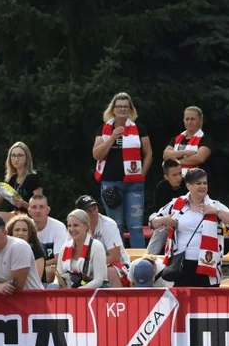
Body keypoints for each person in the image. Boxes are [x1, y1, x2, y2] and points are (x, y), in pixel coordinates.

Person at [149, 169, 229, 287]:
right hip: (181, 264)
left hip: (208, 265)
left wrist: (217, 212)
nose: (202, 186)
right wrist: (164, 220)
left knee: (207, 304)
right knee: (183, 303)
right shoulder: (176, 204)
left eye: (205, 183)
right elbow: (152, 222)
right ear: (188, 186)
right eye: (198, 183)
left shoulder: (214, 205)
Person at [91, 92, 152, 248]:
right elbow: (97, 154)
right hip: (111, 183)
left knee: (136, 227)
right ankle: (118, 262)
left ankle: (139, 263)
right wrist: (112, 137)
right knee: (115, 226)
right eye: (119, 106)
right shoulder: (103, 129)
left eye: (126, 106)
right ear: (113, 109)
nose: (122, 109)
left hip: (134, 184)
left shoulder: (139, 128)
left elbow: (149, 154)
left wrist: (142, 175)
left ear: (130, 109)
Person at [0, 214, 44, 294]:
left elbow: (16, 286)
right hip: (4, 302)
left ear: (5, 232)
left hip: (33, 300)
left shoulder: (19, 246)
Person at [76, 194, 131, 287]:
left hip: (119, 266)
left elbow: (114, 257)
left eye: (95, 208)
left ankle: (118, 301)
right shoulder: (75, 226)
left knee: (110, 272)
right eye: (89, 211)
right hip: (88, 269)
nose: (94, 213)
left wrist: (90, 267)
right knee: (71, 276)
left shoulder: (108, 224)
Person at [54, 209, 108, 289]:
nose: (72, 229)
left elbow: (99, 280)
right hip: (69, 291)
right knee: (52, 287)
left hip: (93, 292)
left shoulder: (96, 246)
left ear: (86, 226)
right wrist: (58, 285)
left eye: (75, 225)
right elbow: (59, 275)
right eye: (69, 226)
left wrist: (79, 291)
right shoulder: (64, 248)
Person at [0, 141, 43, 215]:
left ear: (27, 158)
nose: (16, 159)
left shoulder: (33, 178)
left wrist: (23, 204)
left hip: (27, 217)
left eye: (20, 155)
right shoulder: (13, 178)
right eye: (13, 155)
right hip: (15, 215)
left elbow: (40, 207)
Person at [28, 195, 69, 283]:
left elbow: (59, 259)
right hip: (28, 268)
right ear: (29, 211)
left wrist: (36, 266)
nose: (38, 211)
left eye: (41, 207)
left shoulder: (58, 227)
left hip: (50, 270)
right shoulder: (24, 228)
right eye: (34, 207)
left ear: (48, 210)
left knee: (49, 271)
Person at [162, 105, 212, 176]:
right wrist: (185, 152)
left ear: (200, 121)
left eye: (193, 119)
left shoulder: (205, 139)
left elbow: (199, 158)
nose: (189, 122)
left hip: (196, 181)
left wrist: (176, 161)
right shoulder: (176, 138)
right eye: (187, 119)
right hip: (175, 182)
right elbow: (166, 155)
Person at [7, 214, 46, 285]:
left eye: (24, 230)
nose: (20, 233)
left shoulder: (36, 250)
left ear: (30, 233)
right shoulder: (5, 250)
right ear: (11, 232)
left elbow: (36, 279)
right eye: (17, 230)